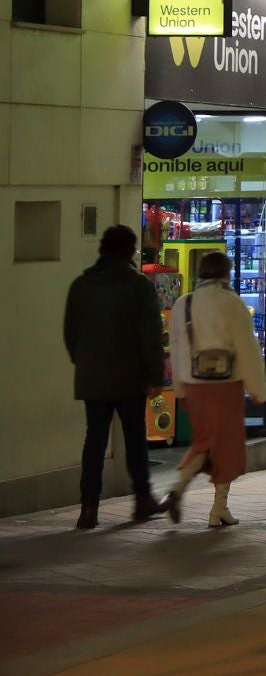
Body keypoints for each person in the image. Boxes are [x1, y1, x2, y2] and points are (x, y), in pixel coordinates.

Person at [63, 225, 166, 529]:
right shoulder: (139, 286)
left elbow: (70, 333)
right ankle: (142, 500)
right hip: (130, 377)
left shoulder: (81, 285)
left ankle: (89, 508)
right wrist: (155, 374)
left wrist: (83, 361)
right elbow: (150, 336)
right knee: (135, 438)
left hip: (92, 377)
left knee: (94, 440)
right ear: (131, 251)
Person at [163, 251, 266, 527]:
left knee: (205, 443)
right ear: (226, 274)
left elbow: (175, 349)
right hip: (226, 386)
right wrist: (259, 389)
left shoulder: (183, 304)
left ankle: (178, 488)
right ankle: (218, 508)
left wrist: (180, 389)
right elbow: (247, 350)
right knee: (227, 448)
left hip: (193, 385)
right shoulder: (232, 303)